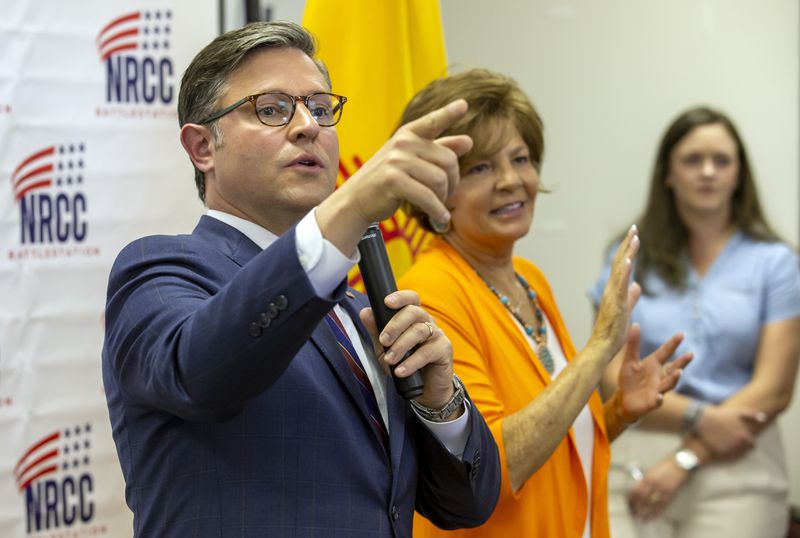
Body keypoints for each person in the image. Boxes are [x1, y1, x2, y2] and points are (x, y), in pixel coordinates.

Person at [101, 22, 501, 538]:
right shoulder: (157, 272)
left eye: (319, 108)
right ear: (202, 147)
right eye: (271, 109)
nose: (307, 126)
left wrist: (440, 403)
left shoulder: (357, 309)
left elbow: (466, 506)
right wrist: (349, 208)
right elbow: (202, 373)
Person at [397, 68, 693, 538]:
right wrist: (599, 350)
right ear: (435, 187)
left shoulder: (529, 279)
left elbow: (551, 439)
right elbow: (487, 467)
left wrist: (617, 413)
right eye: (481, 168)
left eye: (521, 158)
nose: (512, 180)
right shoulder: (432, 292)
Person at [590, 106, 800, 538]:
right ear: (667, 173)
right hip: (633, 451)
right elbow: (609, 377)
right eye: (691, 160)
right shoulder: (629, 254)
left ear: (739, 174)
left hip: (738, 456)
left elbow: (775, 387)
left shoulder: (775, 262)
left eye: (721, 160)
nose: (707, 172)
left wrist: (690, 454)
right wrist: (700, 418)